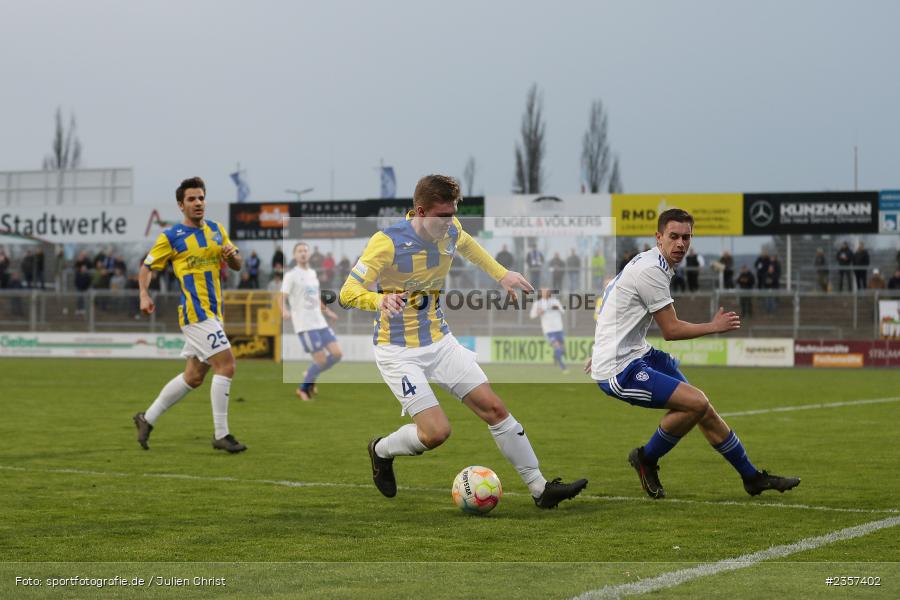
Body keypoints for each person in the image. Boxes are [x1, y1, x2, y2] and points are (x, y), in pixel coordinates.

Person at [340, 174, 587, 508]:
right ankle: (381, 450)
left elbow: (470, 246)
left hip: (440, 342)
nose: (450, 220)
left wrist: (502, 274)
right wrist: (378, 300)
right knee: (436, 433)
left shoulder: (451, 229)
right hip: (398, 352)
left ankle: (541, 490)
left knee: (495, 409)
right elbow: (347, 292)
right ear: (420, 211)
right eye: (443, 215)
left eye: (454, 212)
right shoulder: (387, 242)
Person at [587, 208, 799, 499]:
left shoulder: (651, 261)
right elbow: (671, 331)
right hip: (618, 369)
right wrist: (714, 326)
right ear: (658, 237)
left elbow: (614, 295)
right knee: (696, 403)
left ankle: (752, 478)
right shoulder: (651, 270)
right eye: (673, 236)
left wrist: (601, 344)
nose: (681, 244)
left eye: (687, 237)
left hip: (637, 352)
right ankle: (646, 458)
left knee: (703, 408)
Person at [132, 176, 247, 454]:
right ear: (181, 205)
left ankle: (146, 418)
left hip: (214, 313)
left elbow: (237, 265)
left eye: (201, 198)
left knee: (194, 376)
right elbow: (147, 267)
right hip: (195, 314)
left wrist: (231, 255)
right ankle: (222, 434)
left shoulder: (217, 230)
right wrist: (144, 294)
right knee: (227, 365)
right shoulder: (172, 237)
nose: (198, 203)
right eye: (192, 199)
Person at [281, 241, 343, 401]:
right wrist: (284, 310)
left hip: (320, 322)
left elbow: (314, 297)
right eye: (300, 251)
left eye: (305, 251)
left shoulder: (312, 274)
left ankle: (310, 373)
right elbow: (281, 298)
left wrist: (328, 312)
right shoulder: (291, 275)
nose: (303, 253)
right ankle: (302, 389)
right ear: (295, 255)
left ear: (308, 254)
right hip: (305, 325)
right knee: (321, 360)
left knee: (337, 354)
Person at [529, 288, 567, 373]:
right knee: (557, 346)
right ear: (541, 293)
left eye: (546, 291)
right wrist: (538, 313)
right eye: (543, 291)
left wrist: (557, 308)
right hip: (548, 330)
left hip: (558, 328)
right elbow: (532, 315)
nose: (545, 293)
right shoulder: (538, 304)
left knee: (561, 349)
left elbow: (563, 311)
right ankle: (563, 367)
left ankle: (555, 356)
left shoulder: (555, 301)